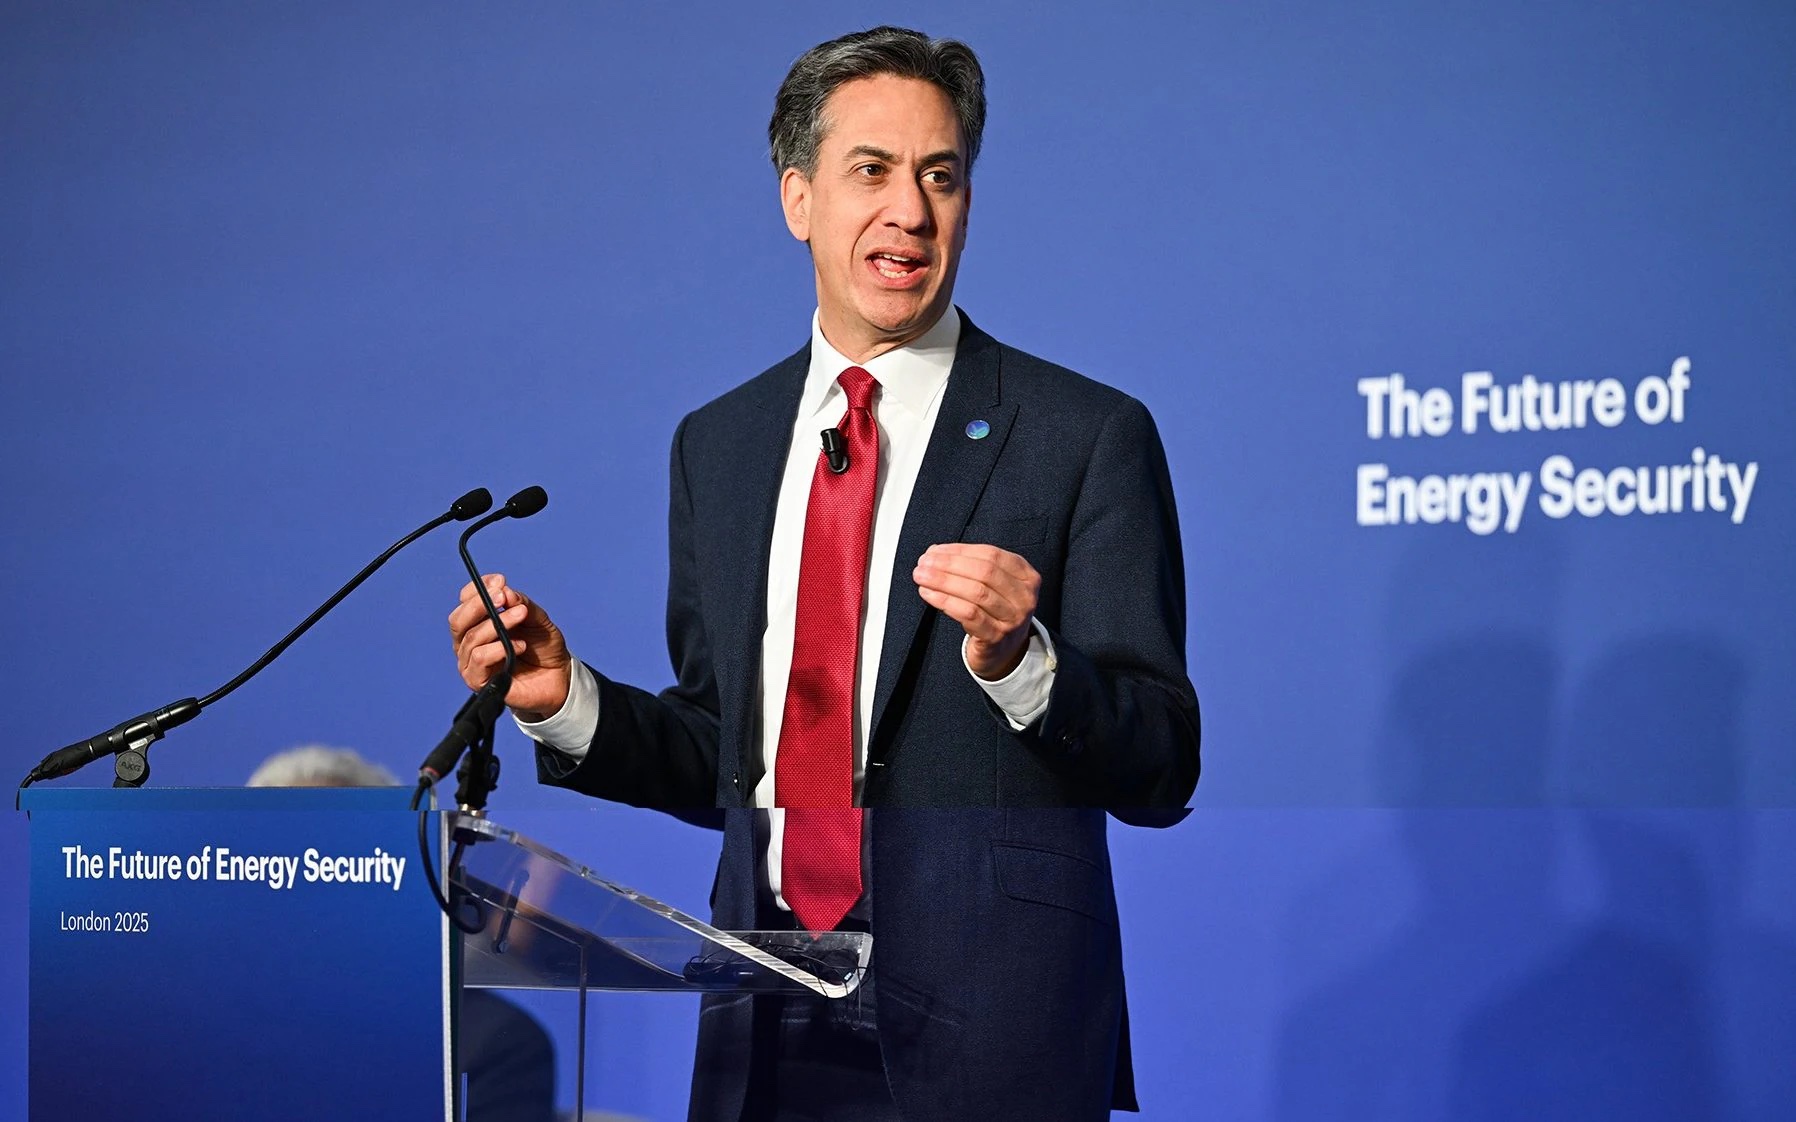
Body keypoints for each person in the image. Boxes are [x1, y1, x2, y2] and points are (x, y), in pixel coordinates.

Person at [449, 26, 1199, 1121]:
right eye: (872, 170)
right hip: (765, 1018)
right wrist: (565, 701)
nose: (911, 211)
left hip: (994, 1030)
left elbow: (1163, 762)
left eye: (940, 176)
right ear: (798, 199)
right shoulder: (721, 445)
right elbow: (730, 752)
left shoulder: (1080, 435)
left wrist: (1024, 666)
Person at [250, 745, 559, 1122]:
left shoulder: (489, 1043)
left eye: (333, 859)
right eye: (280, 861)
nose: (307, 879)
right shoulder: (202, 1023)